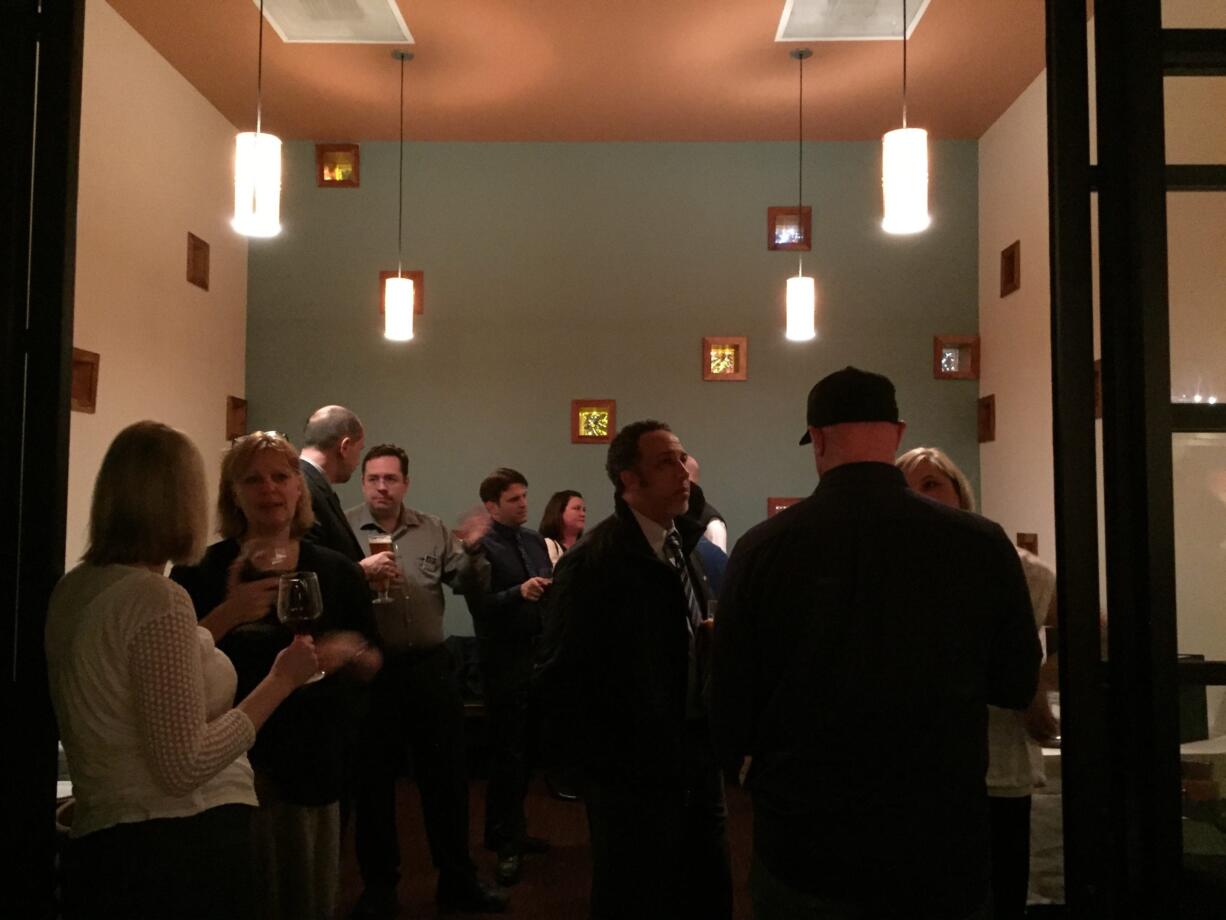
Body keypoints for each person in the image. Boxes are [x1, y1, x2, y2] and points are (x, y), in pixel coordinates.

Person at [711, 367, 1042, 920]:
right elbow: (1014, 683)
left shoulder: (764, 547)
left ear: (817, 438)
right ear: (899, 432)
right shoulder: (979, 542)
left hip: (809, 837)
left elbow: (729, 704)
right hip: (938, 836)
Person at [46, 421, 319, 920]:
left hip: (104, 836)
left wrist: (225, 617)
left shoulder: (77, 586)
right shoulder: (157, 598)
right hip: (174, 844)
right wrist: (282, 681)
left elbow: (148, 672)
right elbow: (184, 766)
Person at [171, 431, 380, 920]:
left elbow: (373, 655)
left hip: (314, 761)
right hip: (230, 764)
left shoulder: (338, 570)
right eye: (253, 479)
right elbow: (175, 666)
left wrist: (350, 651)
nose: (270, 489)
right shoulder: (198, 573)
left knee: (308, 894)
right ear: (234, 494)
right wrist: (228, 613)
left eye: (281, 476)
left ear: (298, 489)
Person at [538, 420, 732, 920]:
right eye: (664, 462)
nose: (683, 472)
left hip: (691, 753)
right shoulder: (594, 564)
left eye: (682, 458)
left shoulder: (675, 545)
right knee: (634, 894)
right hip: (632, 773)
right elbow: (564, 675)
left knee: (705, 886)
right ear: (628, 481)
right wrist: (608, 766)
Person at [346, 444, 508, 917]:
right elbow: (332, 593)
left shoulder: (432, 528)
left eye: (391, 479)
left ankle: (457, 880)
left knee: (447, 782)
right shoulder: (344, 531)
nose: (382, 487)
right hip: (373, 670)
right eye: (373, 478)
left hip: (430, 669)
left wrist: (475, 548)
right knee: (374, 785)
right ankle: (379, 887)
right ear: (362, 482)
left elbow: (469, 584)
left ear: (405, 484)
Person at [897, 446, 1058, 920]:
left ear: (960, 494)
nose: (922, 497)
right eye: (908, 488)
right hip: (915, 771)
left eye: (932, 484)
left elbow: (1090, 626)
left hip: (997, 766)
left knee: (999, 895)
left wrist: (1038, 687)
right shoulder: (892, 570)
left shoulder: (1013, 565)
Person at [471, 468, 553, 886]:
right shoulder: (480, 547)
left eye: (524, 496)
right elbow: (479, 604)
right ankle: (505, 841)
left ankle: (510, 831)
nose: (523, 504)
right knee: (508, 754)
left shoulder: (535, 540)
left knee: (527, 750)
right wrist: (518, 593)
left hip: (534, 655)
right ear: (491, 506)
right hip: (501, 659)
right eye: (513, 499)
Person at [298, 405, 368, 563]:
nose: (358, 461)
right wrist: (362, 571)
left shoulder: (305, 481)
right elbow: (308, 558)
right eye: (359, 449)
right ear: (345, 447)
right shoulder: (303, 487)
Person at [538, 489, 586, 565]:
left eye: (584, 510)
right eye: (577, 508)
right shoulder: (549, 545)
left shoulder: (585, 549)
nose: (583, 514)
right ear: (559, 512)